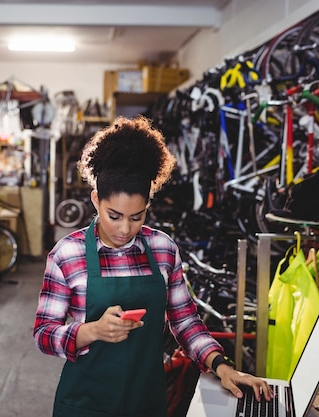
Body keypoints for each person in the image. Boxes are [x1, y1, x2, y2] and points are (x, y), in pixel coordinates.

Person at [33, 116, 272, 417]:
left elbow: (185, 322)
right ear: (96, 199)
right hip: (85, 403)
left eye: (137, 217)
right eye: (114, 215)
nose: (124, 229)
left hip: (146, 401)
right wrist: (91, 331)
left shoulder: (163, 249)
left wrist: (220, 365)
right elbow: (44, 333)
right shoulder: (67, 254)